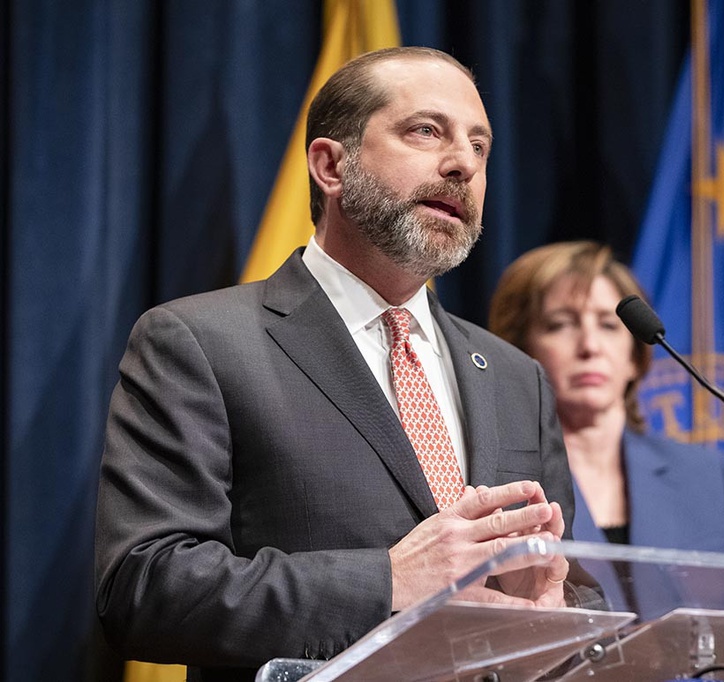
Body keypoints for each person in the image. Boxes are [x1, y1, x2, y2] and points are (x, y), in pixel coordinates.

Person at [94, 47, 593, 682]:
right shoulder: (200, 343)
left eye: (479, 146)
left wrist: (558, 613)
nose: (463, 164)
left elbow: (576, 582)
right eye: (426, 131)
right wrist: (389, 581)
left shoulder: (517, 377)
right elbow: (143, 585)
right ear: (330, 166)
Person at [488, 240, 724, 556]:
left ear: (634, 356)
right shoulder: (497, 482)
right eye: (561, 325)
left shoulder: (708, 478)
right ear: (519, 351)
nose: (590, 346)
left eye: (608, 326)